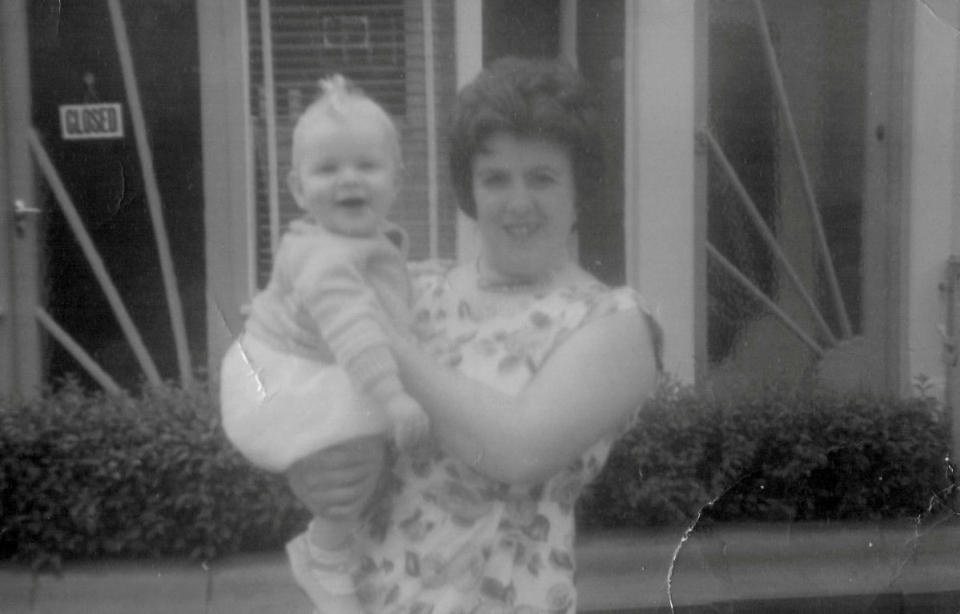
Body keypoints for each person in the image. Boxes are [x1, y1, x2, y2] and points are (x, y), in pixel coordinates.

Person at [286, 56, 663, 614]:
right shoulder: (414, 288)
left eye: (542, 177)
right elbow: (294, 378)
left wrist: (371, 334)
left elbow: (516, 449)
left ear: (579, 188)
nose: (518, 203)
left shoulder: (615, 323)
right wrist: (309, 471)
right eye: (495, 178)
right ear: (470, 189)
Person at [219, 75, 429, 614]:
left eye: (366, 165)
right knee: (355, 446)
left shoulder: (360, 243)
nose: (348, 181)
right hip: (282, 378)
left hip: (294, 365)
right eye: (328, 169)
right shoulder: (326, 257)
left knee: (364, 448)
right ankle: (326, 551)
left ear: (397, 181)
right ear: (296, 188)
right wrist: (394, 397)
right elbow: (355, 329)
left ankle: (336, 541)